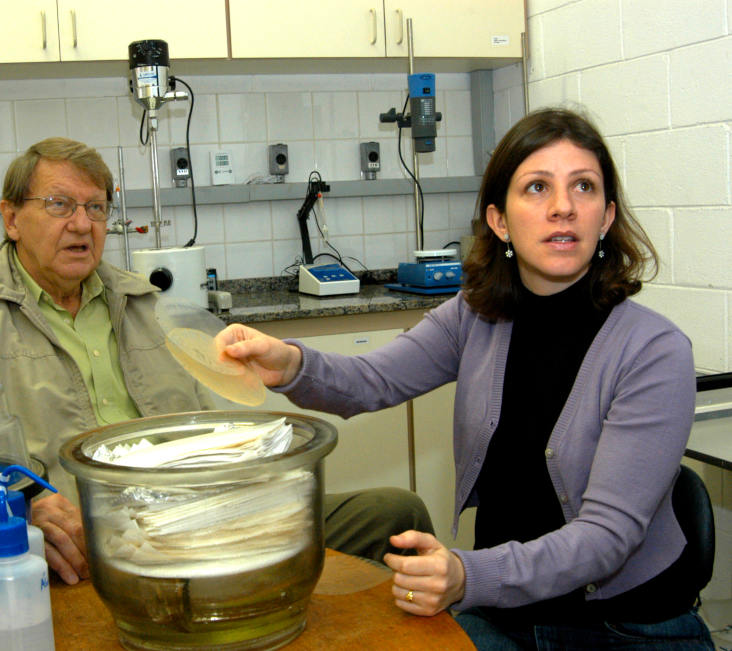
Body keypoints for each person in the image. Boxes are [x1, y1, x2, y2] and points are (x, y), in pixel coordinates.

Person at [216, 108, 713, 649]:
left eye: (584, 187)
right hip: (503, 614)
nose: (563, 207)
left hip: (626, 628)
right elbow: (370, 381)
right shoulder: (474, 317)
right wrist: (289, 364)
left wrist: (466, 576)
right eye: (537, 187)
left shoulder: (653, 351)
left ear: (606, 217)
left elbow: (606, 539)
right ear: (499, 221)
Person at [0, 137, 432, 586]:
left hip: (202, 515)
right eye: (59, 205)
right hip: (87, 540)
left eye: (96, 208)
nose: (82, 225)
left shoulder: (145, 305)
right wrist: (24, 503)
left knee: (393, 513)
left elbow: (212, 425)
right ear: (11, 218)